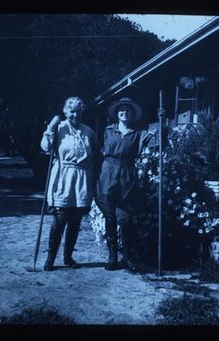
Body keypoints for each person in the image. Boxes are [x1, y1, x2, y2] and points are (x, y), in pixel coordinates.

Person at [96, 97, 163, 271]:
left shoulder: (139, 133)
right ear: (117, 114)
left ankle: (127, 258)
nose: (124, 111)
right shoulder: (107, 130)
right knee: (109, 217)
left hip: (127, 175)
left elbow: (159, 145)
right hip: (107, 174)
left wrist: (163, 124)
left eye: (127, 109)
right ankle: (112, 257)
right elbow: (96, 149)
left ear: (132, 114)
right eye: (121, 109)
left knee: (125, 220)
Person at [40, 96, 98, 271]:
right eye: (72, 111)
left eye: (79, 111)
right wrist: (50, 127)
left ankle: (68, 257)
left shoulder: (88, 132)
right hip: (63, 177)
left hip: (81, 178)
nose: (75, 114)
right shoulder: (59, 128)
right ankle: (50, 258)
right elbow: (45, 147)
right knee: (60, 219)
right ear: (65, 111)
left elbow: (94, 153)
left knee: (75, 221)